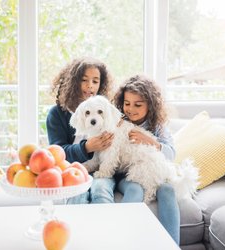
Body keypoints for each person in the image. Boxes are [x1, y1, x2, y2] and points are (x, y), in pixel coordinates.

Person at [113, 74, 180, 245]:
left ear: (150, 105)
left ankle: (171, 245)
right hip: (126, 175)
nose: (130, 109)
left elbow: (171, 154)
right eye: (127, 103)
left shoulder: (157, 127)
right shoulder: (118, 123)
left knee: (167, 190)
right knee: (135, 190)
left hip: (153, 172)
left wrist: (152, 142)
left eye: (138, 104)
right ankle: (119, 241)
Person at [46, 57, 115, 204]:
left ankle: (106, 226)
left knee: (101, 193)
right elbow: (57, 153)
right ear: (73, 81)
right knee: (77, 197)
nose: (90, 86)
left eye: (95, 81)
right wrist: (87, 147)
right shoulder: (57, 114)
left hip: (102, 171)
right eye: (84, 80)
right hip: (73, 171)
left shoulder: (105, 111)